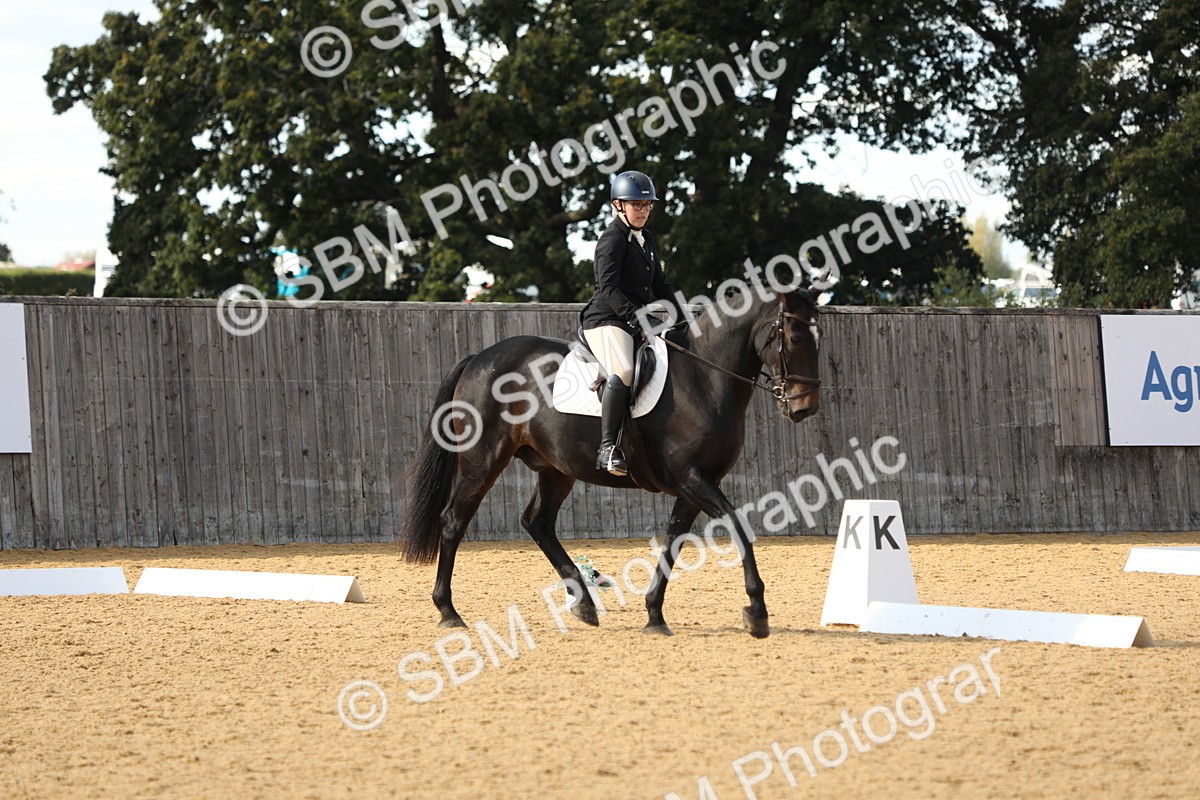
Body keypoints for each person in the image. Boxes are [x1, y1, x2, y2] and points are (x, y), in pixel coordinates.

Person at [579, 170, 683, 476]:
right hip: (606, 319)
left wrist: (681, 319)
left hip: (632, 318)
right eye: (636, 205)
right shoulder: (611, 240)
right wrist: (639, 318)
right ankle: (607, 448)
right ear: (618, 205)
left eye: (647, 205)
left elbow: (661, 285)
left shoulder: (646, 239)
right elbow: (608, 288)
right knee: (623, 369)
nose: (643, 211)